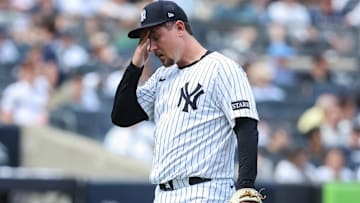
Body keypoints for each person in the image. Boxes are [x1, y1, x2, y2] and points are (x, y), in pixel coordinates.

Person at [111, 1, 263, 203]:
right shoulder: (162, 77)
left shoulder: (221, 68)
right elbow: (122, 116)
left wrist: (245, 187)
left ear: (179, 27)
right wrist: (135, 66)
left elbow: (246, 127)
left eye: (155, 37)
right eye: (147, 40)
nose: (152, 47)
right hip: (163, 194)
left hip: (206, 191)